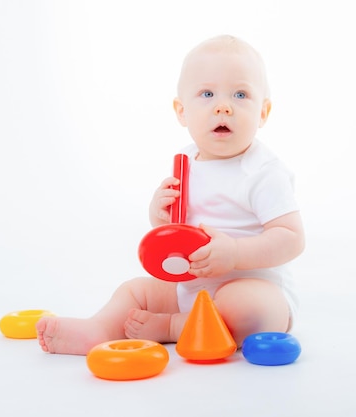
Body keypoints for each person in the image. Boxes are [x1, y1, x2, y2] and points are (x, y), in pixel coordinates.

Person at [36, 34, 305, 355]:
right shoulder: (185, 163)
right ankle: (98, 330)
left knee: (246, 307)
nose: (223, 106)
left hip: (254, 288)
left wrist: (233, 252)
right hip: (188, 286)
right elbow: (173, 236)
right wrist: (158, 214)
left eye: (240, 94)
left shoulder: (263, 171)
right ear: (181, 111)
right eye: (207, 93)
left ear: (263, 112)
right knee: (135, 292)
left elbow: (291, 238)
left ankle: (173, 326)